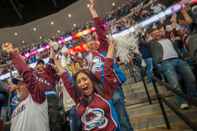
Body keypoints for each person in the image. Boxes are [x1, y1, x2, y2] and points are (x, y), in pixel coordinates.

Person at [86, 1, 133, 130]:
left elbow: (100, 32)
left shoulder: (104, 49)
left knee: (122, 118)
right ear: (87, 48)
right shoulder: (88, 60)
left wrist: (93, 12)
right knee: (113, 120)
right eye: (89, 44)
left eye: (93, 42)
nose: (92, 44)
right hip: (101, 92)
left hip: (112, 88)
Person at [54, 42, 121, 131]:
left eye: (84, 79)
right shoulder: (78, 98)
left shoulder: (103, 92)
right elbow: (67, 81)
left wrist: (111, 46)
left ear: (91, 80)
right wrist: (57, 62)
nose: (82, 83)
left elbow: (107, 69)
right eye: (79, 82)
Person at [2, 42, 59, 131]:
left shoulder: (47, 71)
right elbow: (25, 70)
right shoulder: (33, 73)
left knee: (54, 123)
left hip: (47, 97)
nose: (40, 66)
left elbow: (26, 73)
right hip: (34, 99)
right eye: (38, 65)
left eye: (41, 64)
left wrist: (52, 49)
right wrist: (17, 56)